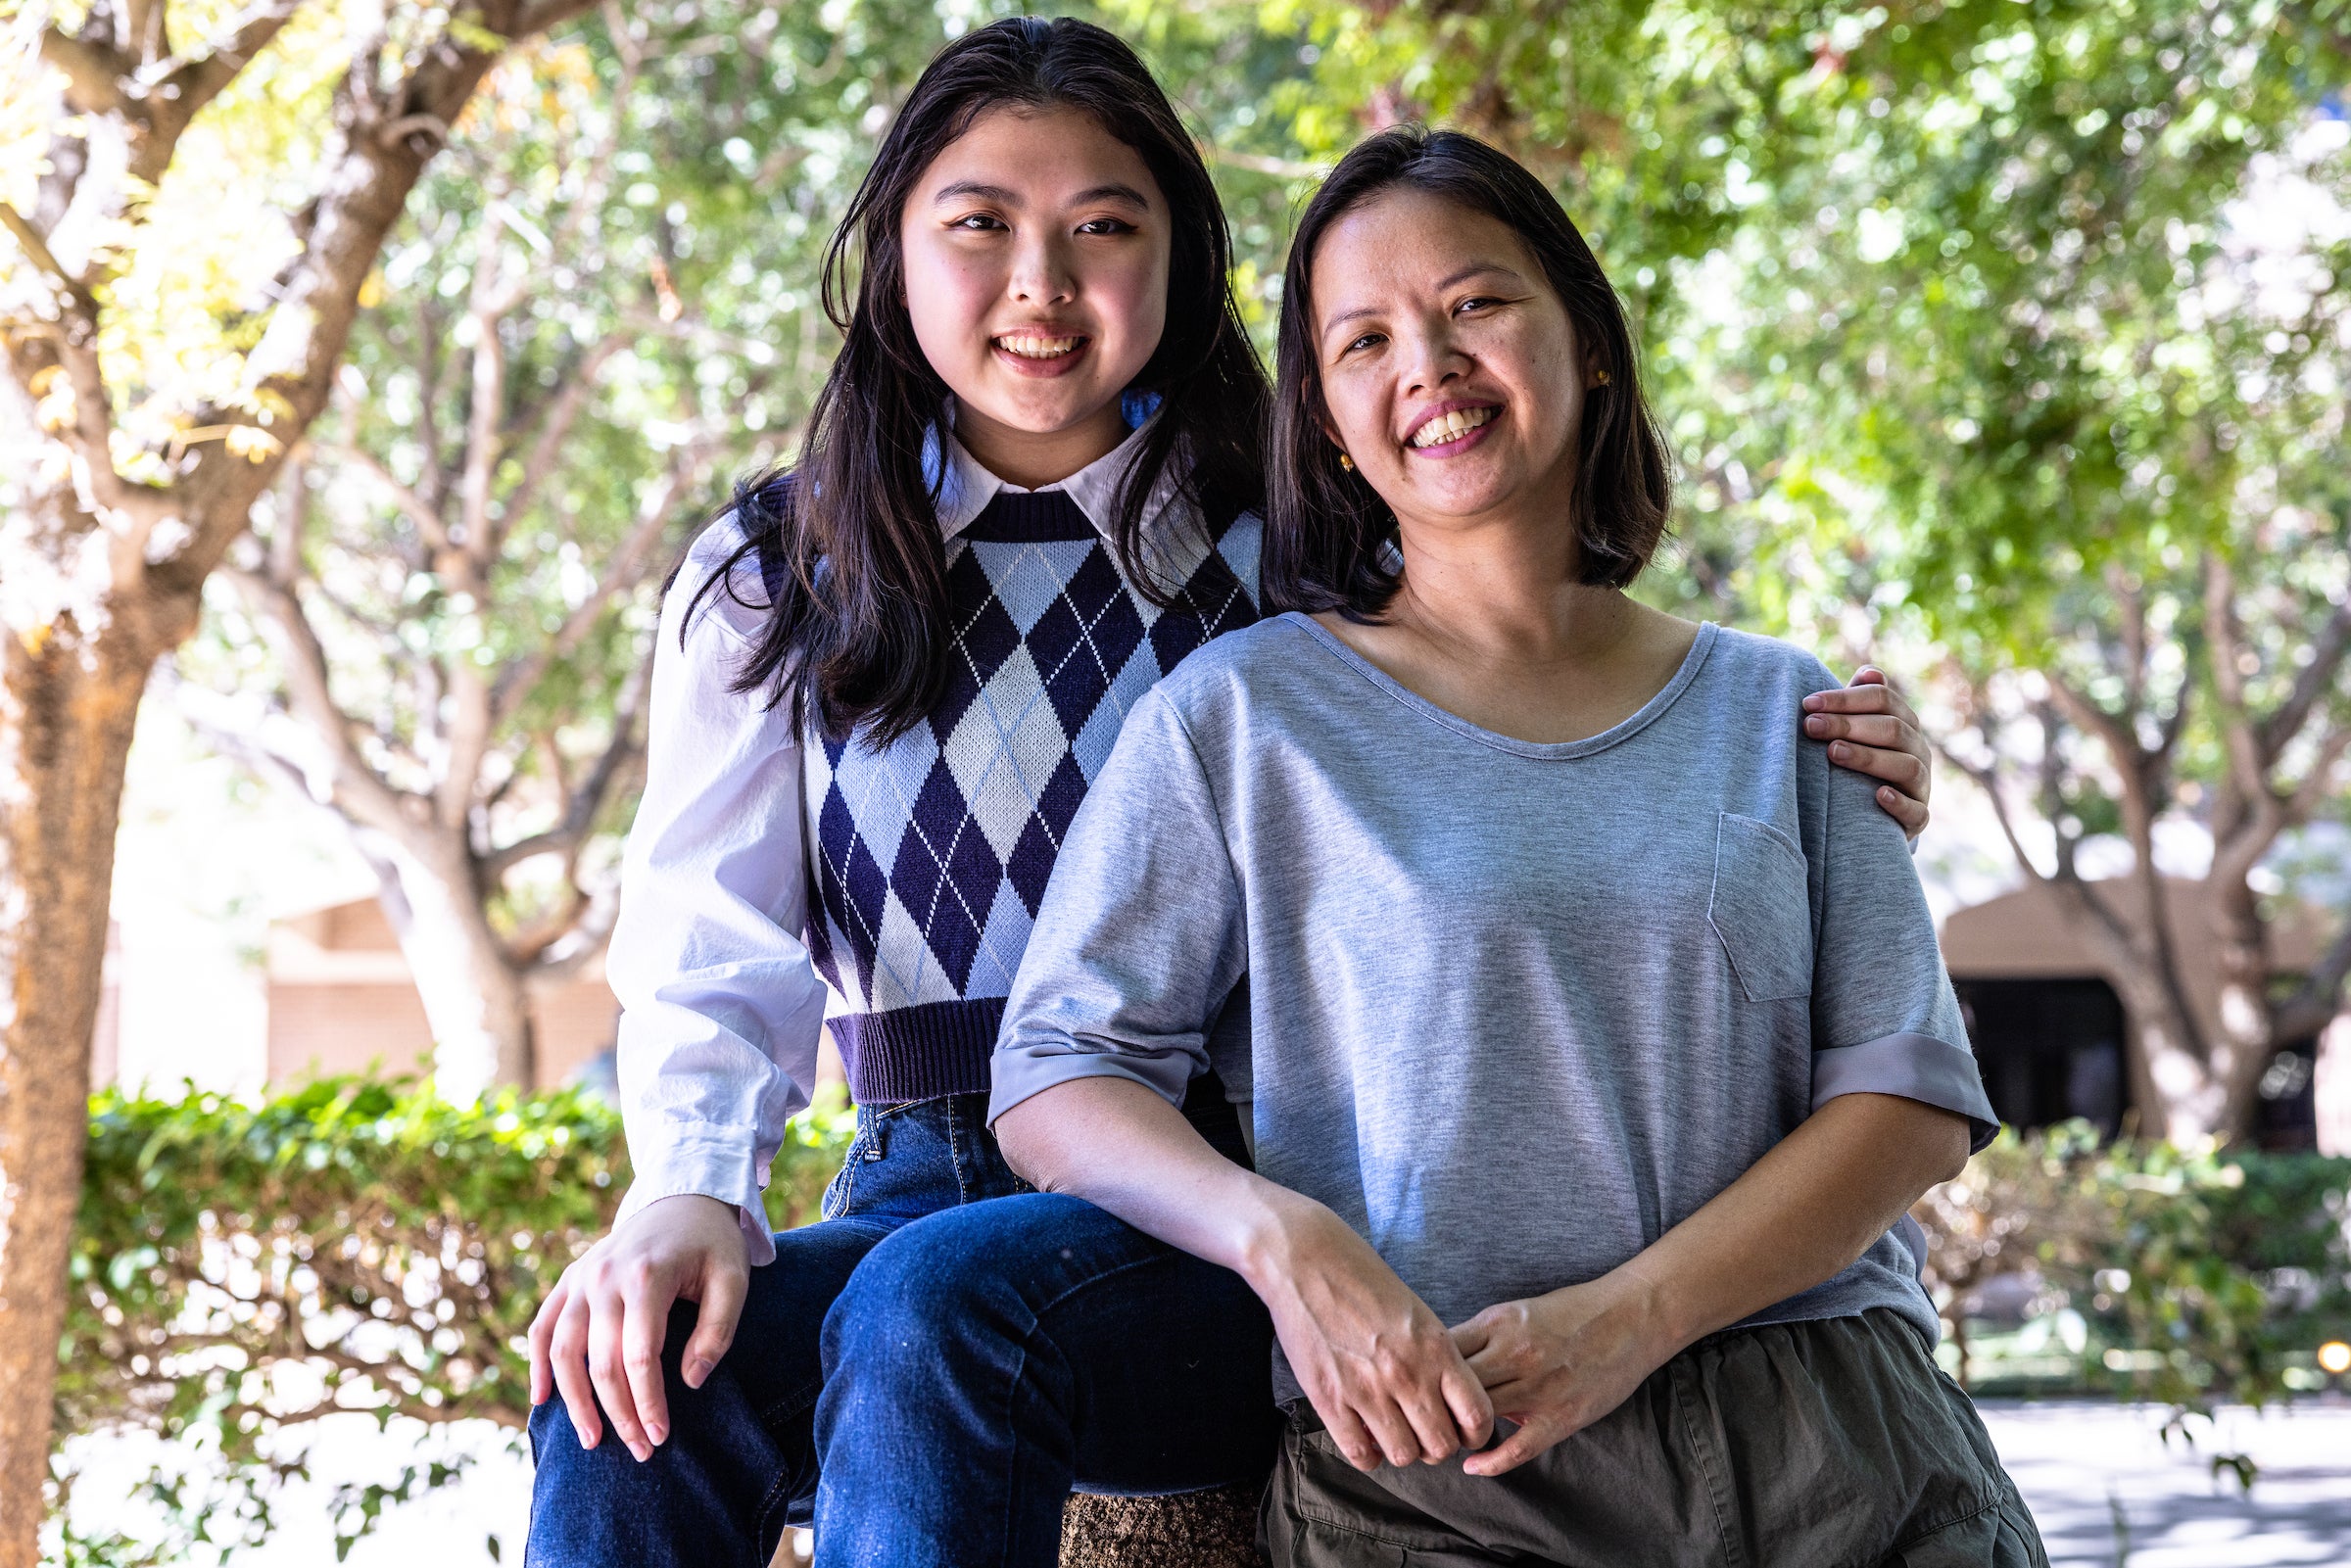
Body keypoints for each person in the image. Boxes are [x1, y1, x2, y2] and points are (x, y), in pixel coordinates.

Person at [525, 20, 1941, 1564]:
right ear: (895, 256)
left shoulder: (1292, 547)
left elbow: (1546, 658)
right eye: (980, 225)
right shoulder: (779, 568)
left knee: (945, 1316)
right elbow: (708, 935)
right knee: (639, 1374)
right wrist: (685, 1190)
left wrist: (1845, 743)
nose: (1042, 288)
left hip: (1208, 1181)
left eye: (1104, 229)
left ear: (1185, 258)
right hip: (911, 1165)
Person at [982, 126, 2047, 1566]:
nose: (1428, 362)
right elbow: (1059, 1070)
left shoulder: (1783, 704)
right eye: (1364, 339)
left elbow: (1906, 1100)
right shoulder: (1243, 718)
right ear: (1332, 423)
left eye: (1476, 303)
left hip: (1834, 1442)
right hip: (1442, 1462)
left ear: (1588, 345)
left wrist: (1627, 1320)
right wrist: (1276, 1235)